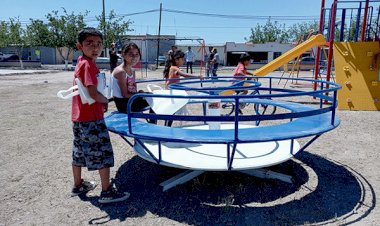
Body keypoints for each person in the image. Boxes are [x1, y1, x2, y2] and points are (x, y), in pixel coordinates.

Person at [70, 27, 130, 203]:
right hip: (91, 117)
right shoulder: (88, 65)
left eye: (98, 44)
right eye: (89, 43)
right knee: (102, 152)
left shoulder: (82, 62)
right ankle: (107, 191)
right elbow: (92, 93)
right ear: (79, 45)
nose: (95, 47)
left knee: (79, 151)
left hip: (79, 117)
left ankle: (78, 184)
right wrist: (105, 100)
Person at [112, 42, 156, 123]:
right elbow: (125, 94)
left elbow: (132, 90)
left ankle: (152, 123)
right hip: (124, 104)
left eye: (136, 54)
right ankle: (152, 124)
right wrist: (140, 95)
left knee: (153, 97)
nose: (134, 57)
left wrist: (139, 93)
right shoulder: (120, 72)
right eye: (131, 54)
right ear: (124, 55)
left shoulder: (132, 71)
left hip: (131, 101)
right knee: (155, 100)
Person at [163, 49, 203, 126]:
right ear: (176, 60)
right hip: (171, 92)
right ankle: (167, 127)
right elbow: (184, 75)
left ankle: (167, 127)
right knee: (171, 112)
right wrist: (197, 76)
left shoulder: (173, 67)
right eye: (182, 59)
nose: (183, 61)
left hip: (172, 91)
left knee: (172, 112)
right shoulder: (174, 68)